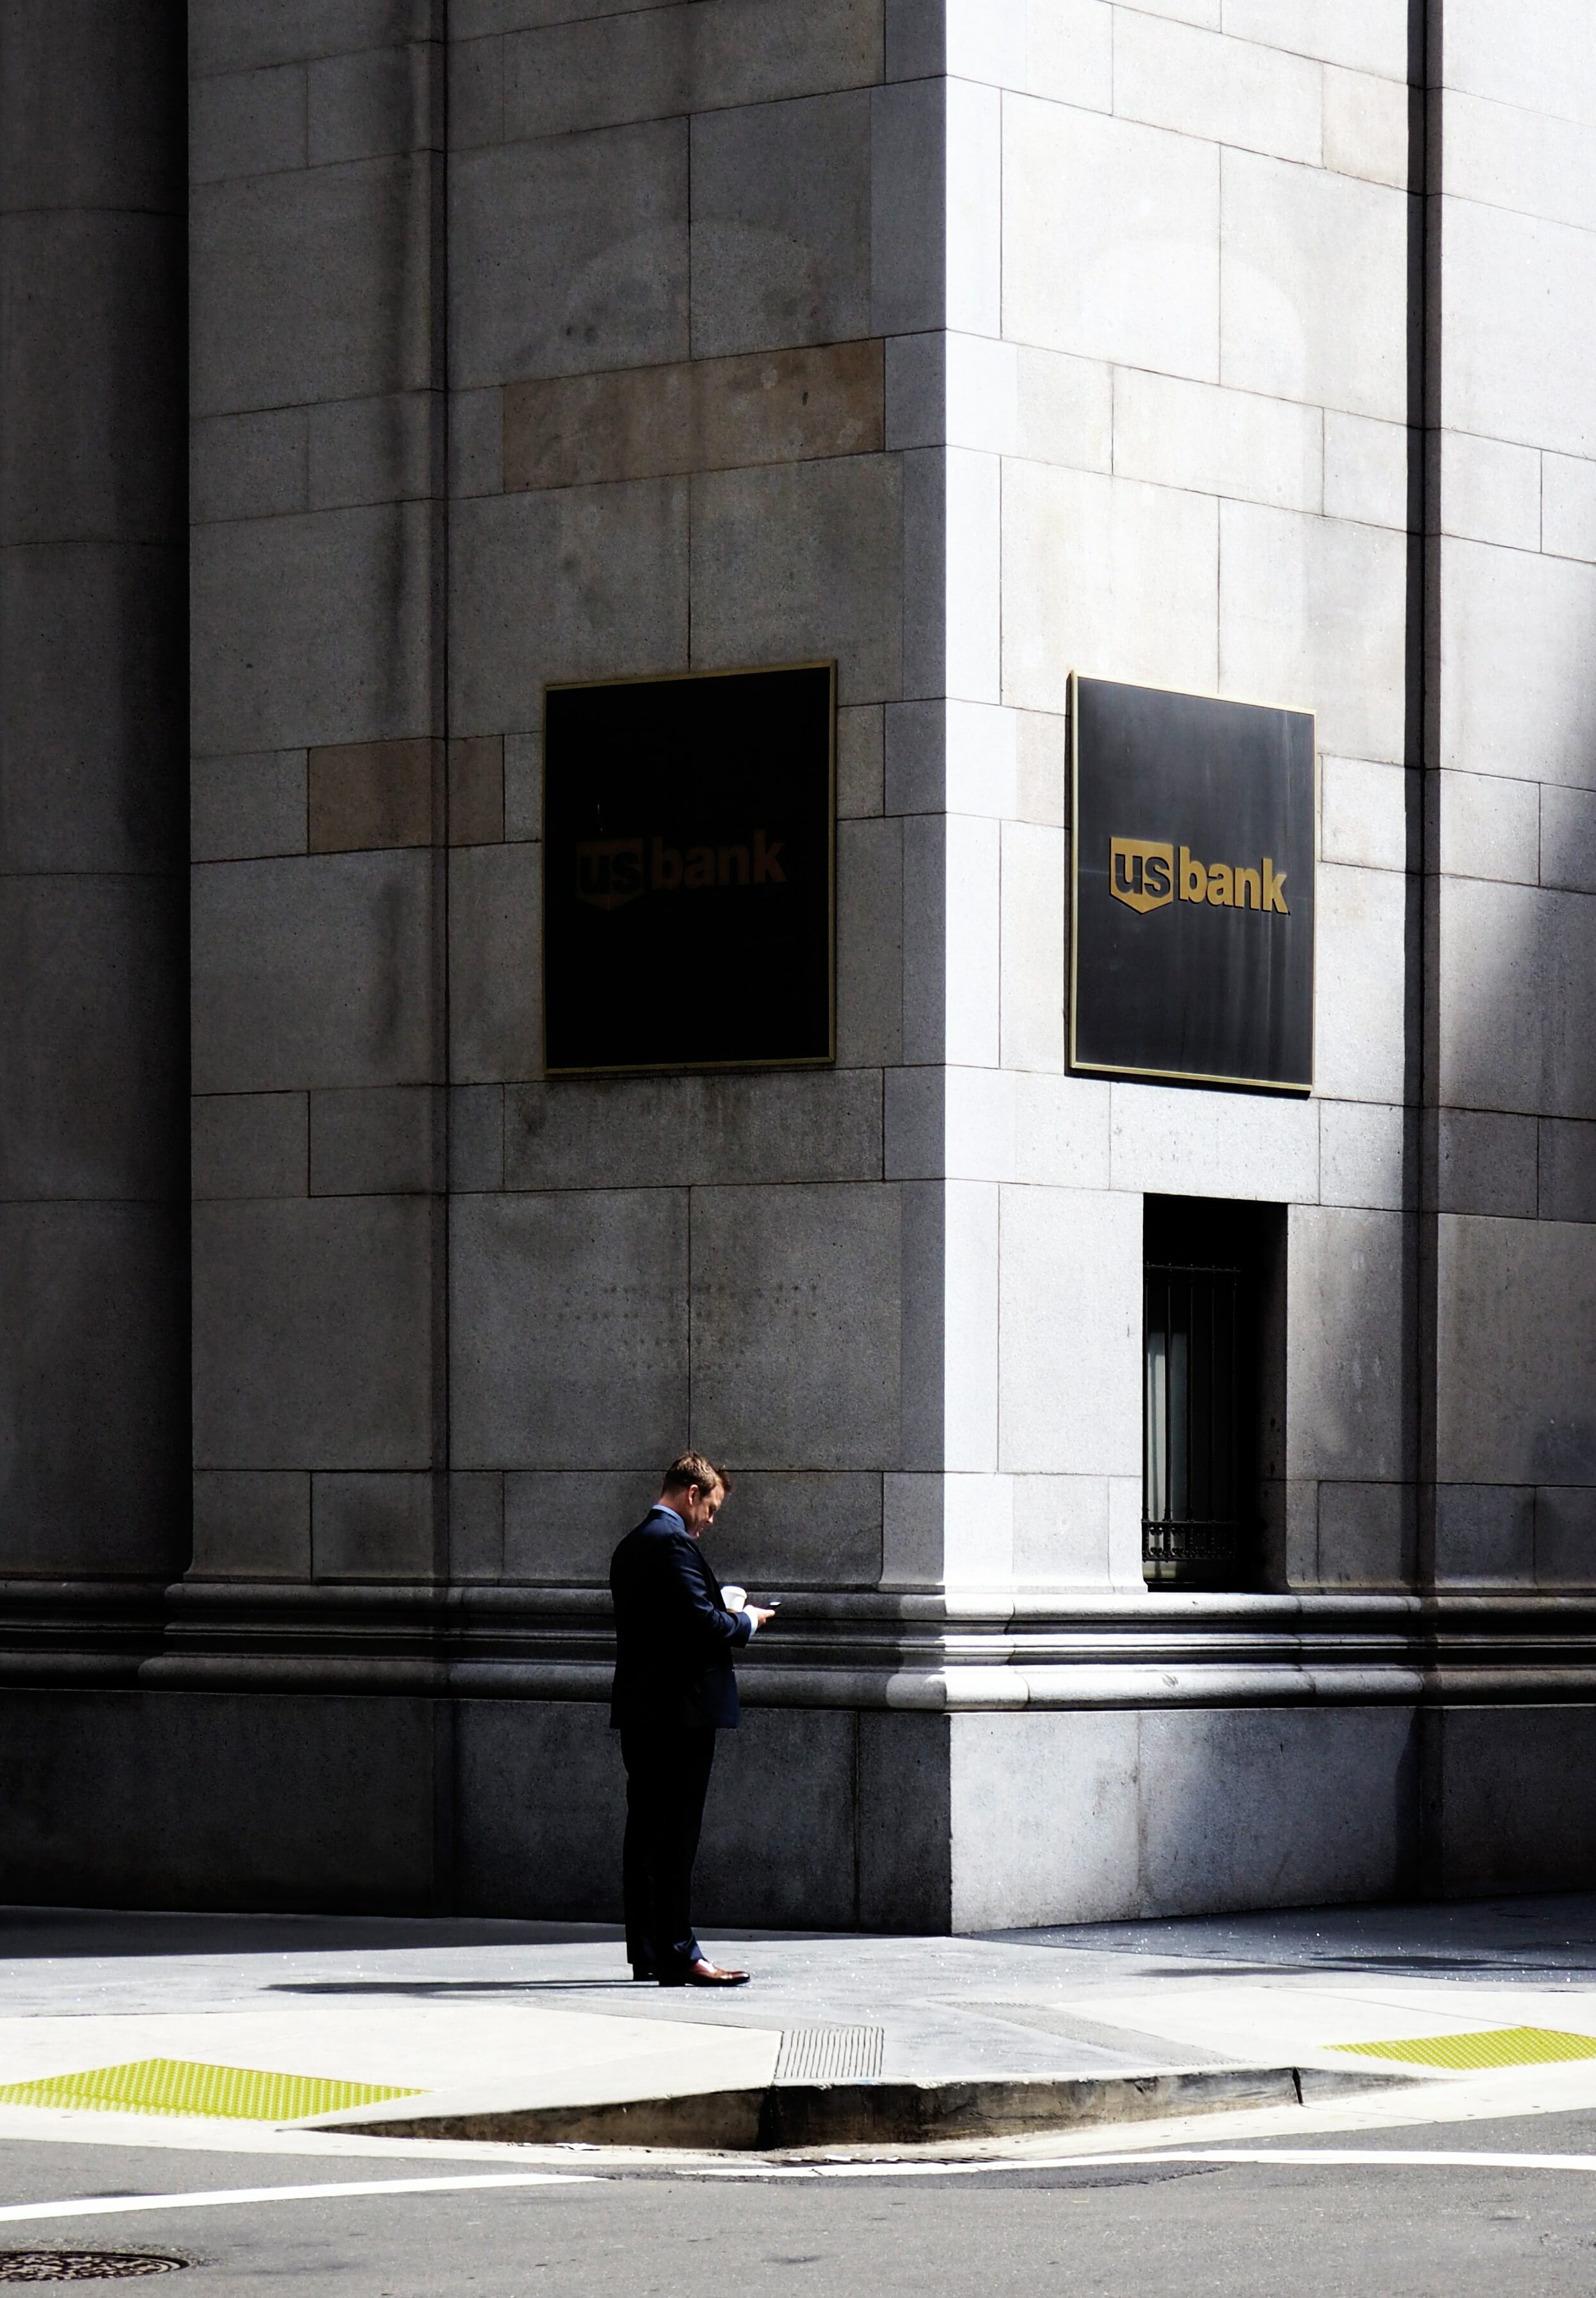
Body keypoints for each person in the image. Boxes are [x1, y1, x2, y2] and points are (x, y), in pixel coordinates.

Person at [609, 1452, 774, 1987]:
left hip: (643, 1710)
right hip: (678, 1715)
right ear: (692, 1494)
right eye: (712, 1508)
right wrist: (744, 1619)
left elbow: (667, 1623)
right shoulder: (672, 1542)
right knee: (675, 1836)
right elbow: (701, 1626)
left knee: (647, 1834)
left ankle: (650, 1950)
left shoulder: (632, 1544)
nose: (711, 1521)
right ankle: (679, 1952)